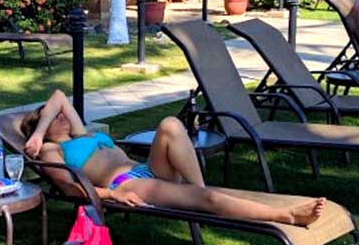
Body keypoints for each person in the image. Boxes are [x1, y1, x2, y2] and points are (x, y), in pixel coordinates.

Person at [21, 90, 326, 226]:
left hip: (145, 168)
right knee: (204, 199)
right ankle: (286, 216)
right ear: (42, 129)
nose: (61, 116)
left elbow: (59, 96)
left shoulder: (80, 134)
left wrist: (40, 127)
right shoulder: (52, 150)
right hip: (127, 185)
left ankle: (201, 194)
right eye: (51, 119)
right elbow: (69, 189)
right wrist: (111, 194)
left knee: (169, 124)